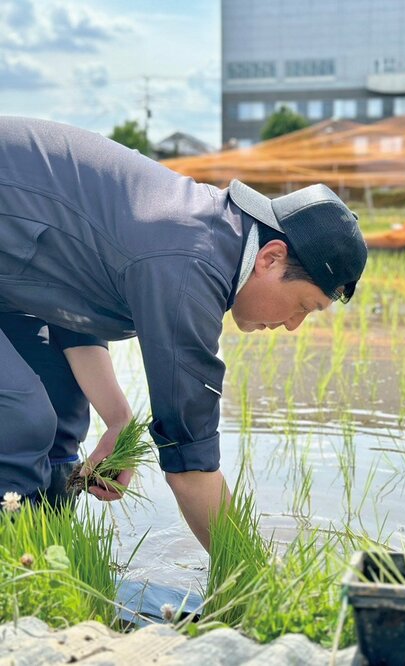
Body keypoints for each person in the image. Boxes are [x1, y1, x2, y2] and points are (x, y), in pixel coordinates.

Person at [0, 117, 367, 550]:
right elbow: (190, 463)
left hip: (14, 271)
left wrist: (119, 419)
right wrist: (249, 576)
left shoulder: (210, 237)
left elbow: (70, 300)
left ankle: (41, 559)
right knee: (23, 418)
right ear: (271, 257)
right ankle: (14, 574)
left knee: (63, 410)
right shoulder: (190, 263)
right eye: (304, 306)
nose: (292, 325)